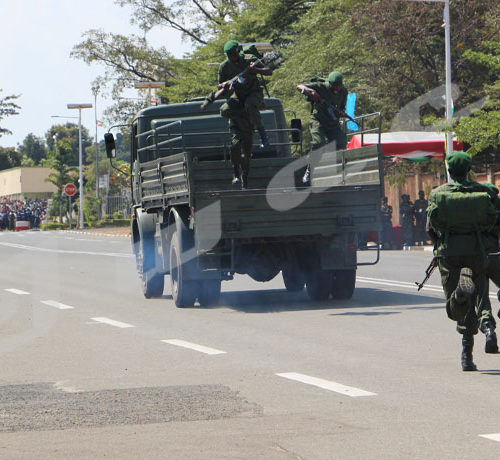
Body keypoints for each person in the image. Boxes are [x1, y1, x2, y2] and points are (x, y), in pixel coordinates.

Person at [427, 151, 499, 371]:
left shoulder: (438, 194)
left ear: (449, 170)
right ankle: (472, 350)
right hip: (478, 252)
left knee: (456, 308)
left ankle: (466, 355)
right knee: (480, 294)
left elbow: (431, 230)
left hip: (450, 253)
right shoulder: (486, 192)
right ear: (469, 170)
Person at [201, 40, 273, 189]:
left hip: (253, 94)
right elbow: (221, 87)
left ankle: (263, 134)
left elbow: (269, 71)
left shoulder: (249, 60)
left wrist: (254, 70)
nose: (232, 57)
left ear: (238, 52)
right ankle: (236, 173)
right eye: (229, 55)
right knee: (232, 138)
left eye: (233, 54)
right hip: (238, 98)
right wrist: (226, 85)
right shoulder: (225, 66)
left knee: (246, 152)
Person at [297, 71, 348, 184]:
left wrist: (341, 112)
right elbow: (299, 86)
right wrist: (312, 92)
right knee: (318, 143)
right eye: (334, 85)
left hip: (332, 122)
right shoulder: (321, 86)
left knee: (342, 141)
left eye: (339, 85)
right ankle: (310, 169)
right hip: (318, 120)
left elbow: (342, 107)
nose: (337, 88)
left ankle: (332, 167)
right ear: (329, 83)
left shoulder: (343, 91)